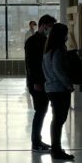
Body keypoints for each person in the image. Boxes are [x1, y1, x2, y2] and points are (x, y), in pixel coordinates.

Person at [42, 22, 74, 161]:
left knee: (57, 120)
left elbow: (47, 69)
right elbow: (59, 70)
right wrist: (68, 85)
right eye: (66, 34)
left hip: (50, 88)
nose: (67, 36)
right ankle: (56, 150)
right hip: (59, 89)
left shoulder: (47, 51)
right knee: (59, 120)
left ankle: (56, 148)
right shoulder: (58, 51)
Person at [24, 15, 55, 153]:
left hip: (44, 81)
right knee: (40, 111)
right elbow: (31, 64)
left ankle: (37, 140)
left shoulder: (45, 40)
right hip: (37, 82)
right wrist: (36, 82)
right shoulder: (32, 42)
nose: (50, 30)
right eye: (49, 27)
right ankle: (36, 142)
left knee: (42, 110)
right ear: (43, 25)